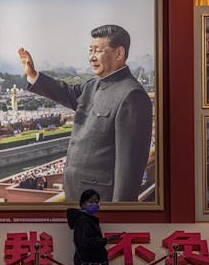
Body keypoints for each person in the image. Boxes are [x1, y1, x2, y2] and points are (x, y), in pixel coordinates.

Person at [19, 24, 153, 202]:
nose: (92, 57)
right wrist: (33, 75)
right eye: (90, 51)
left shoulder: (132, 96)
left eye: (97, 51)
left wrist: (121, 214)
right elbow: (65, 91)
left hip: (100, 201)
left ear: (119, 53)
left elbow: (129, 168)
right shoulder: (92, 85)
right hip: (76, 196)